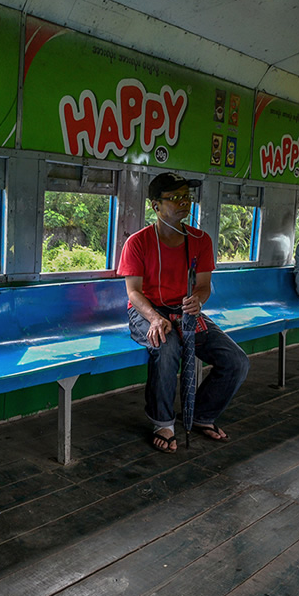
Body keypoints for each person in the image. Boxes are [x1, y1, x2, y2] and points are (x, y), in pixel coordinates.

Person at [116, 172, 249, 454]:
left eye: (186, 196)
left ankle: (200, 415)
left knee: (236, 360)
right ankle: (163, 422)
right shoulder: (138, 242)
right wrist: (154, 318)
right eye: (174, 197)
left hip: (186, 312)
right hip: (147, 312)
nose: (183, 202)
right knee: (166, 348)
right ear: (155, 205)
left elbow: (203, 286)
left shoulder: (200, 241)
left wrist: (197, 301)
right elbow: (134, 293)